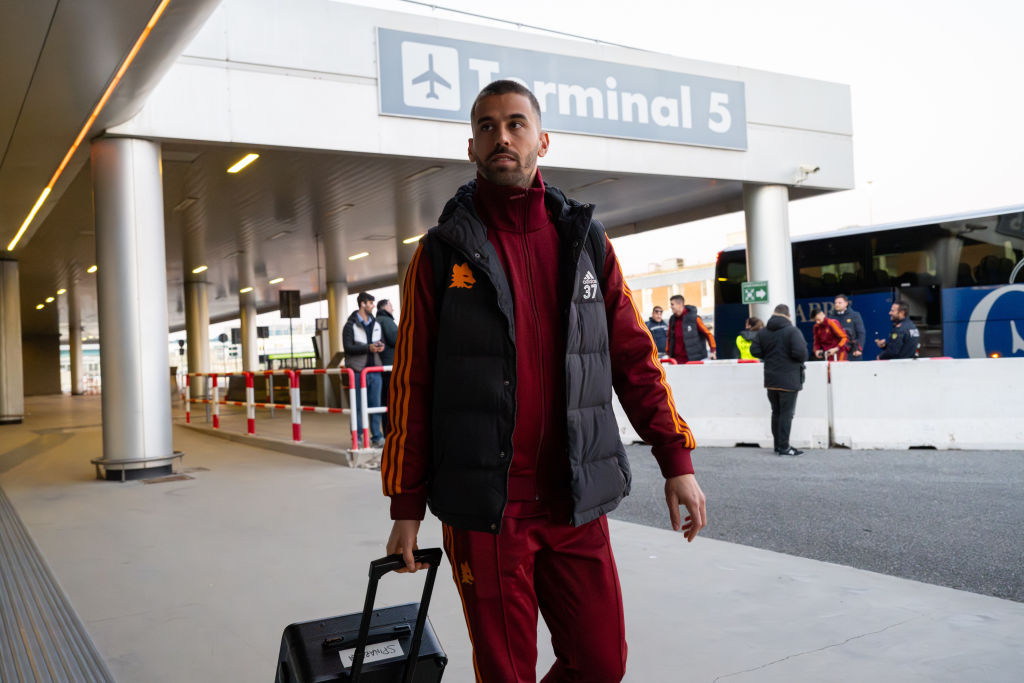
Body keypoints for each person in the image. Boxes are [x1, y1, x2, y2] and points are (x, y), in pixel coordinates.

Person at [381, 80, 706, 682]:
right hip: (487, 512)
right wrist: (407, 506)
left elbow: (635, 358)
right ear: (471, 147)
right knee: (508, 675)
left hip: (575, 500)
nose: (500, 136)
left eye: (514, 123)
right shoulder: (438, 255)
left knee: (600, 663)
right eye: (486, 127)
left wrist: (675, 459)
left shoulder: (584, 242)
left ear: (542, 140)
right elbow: (412, 387)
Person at [750, 304, 808, 456]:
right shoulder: (792, 331)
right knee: (786, 414)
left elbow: (754, 350)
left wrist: (769, 356)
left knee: (776, 412)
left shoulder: (763, 332)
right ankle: (784, 447)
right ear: (788, 316)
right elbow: (801, 353)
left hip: (771, 379)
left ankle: (778, 445)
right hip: (789, 379)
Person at [343, 291, 385, 447]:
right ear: (363, 304)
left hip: (375, 371)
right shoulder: (350, 325)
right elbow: (348, 348)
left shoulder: (376, 324)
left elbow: (382, 341)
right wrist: (368, 348)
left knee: (376, 405)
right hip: (358, 371)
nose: (373, 306)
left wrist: (381, 347)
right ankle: (358, 436)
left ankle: (377, 436)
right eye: (371, 303)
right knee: (359, 406)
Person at [666, 294, 716, 363]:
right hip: (676, 360)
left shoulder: (694, 318)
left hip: (693, 359)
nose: (671, 307)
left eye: (672, 304)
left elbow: (708, 334)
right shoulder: (672, 320)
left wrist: (713, 351)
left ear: (680, 304)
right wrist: (668, 353)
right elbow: (669, 337)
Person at [376, 299, 398, 435]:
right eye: (391, 305)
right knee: (392, 401)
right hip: (390, 365)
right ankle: (392, 432)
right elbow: (396, 339)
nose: (393, 309)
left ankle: (386, 431)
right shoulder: (387, 321)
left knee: (384, 401)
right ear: (384, 307)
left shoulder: (376, 321)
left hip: (381, 365)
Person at [833, 294, 865, 360]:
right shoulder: (831, 317)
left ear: (846, 303)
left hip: (852, 351)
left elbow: (861, 333)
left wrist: (859, 349)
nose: (837, 304)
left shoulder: (855, 315)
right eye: (835, 303)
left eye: (839, 303)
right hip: (836, 352)